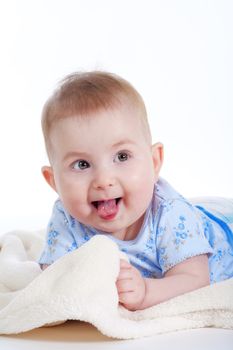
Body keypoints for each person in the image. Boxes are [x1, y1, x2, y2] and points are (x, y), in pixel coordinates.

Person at [39, 71, 233, 311]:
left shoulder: (171, 214)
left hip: (224, 225)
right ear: (54, 181)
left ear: (154, 162)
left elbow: (195, 280)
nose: (103, 180)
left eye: (122, 156)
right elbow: (52, 282)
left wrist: (146, 292)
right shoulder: (65, 218)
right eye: (82, 164)